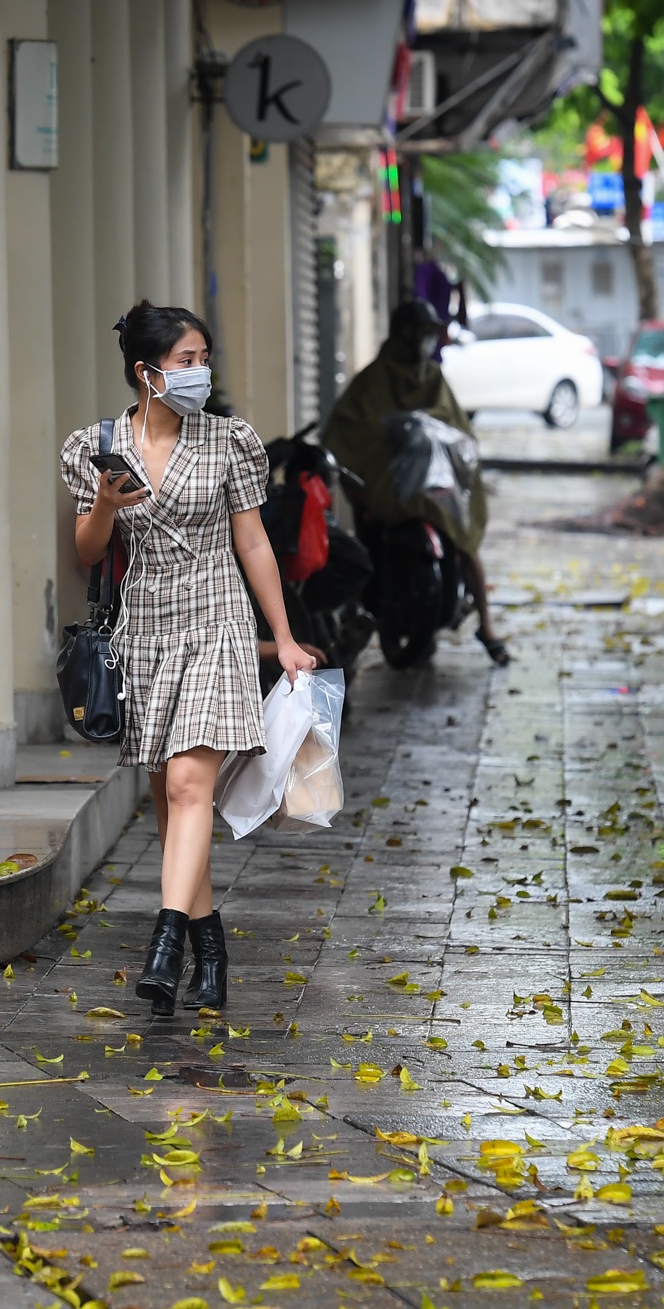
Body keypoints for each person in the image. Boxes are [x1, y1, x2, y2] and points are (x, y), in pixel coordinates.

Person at [62, 301, 318, 1017]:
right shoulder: (99, 442)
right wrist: (107, 505)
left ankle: (166, 944)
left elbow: (255, 543)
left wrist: (284, 635)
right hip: (144, 626)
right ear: (146, 372)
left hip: (216, 618)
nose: (200, 371)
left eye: (204, 358)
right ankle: (211, 946)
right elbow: (86, 550)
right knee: (171, 804)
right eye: (186, 361)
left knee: (186, 787)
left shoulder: (229, 440)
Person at [322, 299, 509, 665]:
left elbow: (457, 428)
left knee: (466, 545)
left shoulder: (433, 378)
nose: (428, 342)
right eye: (423, 335)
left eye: (431, 335)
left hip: (433, 489)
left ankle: (487, 626)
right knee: (364, 547)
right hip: (388, 488)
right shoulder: (374, 379)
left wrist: (431, 429)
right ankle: (364, 614)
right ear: (405, 336)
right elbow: (347, 431)